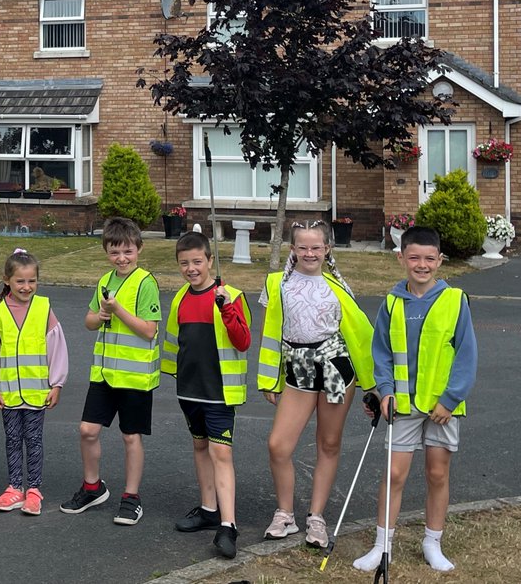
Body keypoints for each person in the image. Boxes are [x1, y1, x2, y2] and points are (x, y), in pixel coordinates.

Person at [353, 225, 477, 573]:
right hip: (402, 405)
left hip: (441, 407)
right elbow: (381, 353)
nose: (422, 265)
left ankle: (432, 542)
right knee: (394, 474)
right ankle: (382, 546)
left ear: (440, 260)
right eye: (414, 258)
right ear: (401, 258)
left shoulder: (455, 300)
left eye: (429, 258)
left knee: (437, 473)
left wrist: (450, 400)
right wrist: (385, 391)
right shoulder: (392, 303)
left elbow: (466, 355)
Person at [257, 220, 376, 548]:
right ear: (292, 249)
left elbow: (360, 336)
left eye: (316, 247)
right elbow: (270, 334)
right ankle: (285, 513)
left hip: (336, 369)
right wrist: (269, 379)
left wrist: (374, 385)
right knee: (278, 445)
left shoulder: (337, 288)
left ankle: (316, 517)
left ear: (327, 249)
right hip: (298, 370)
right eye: (303, 247)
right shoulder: (276, 284)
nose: (309, 253)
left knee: (329, 443)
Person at [60, 217, 161, 525]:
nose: (122, 258)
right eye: (115, 252)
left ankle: (131, 497)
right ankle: (93, 488)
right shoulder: (105, 280)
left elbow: (149, 330)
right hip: (104, 375)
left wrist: (118, 310)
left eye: (128, 251)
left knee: (131, 437)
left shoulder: (146, 283)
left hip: (134, 377)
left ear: (139, 249)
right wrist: (102, 314)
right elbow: (89, 321)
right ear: (106, 252)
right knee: (87, 431)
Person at [164, 231, 251, 559]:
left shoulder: (231, 296)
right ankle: (208, 509)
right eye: (184, 263)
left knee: (221, 454)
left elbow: (243, 341)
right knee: (200, 447)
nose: (191, 268)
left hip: (219, 392)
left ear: (210, 261)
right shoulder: (180, 298)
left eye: (197, 261)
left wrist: (227, 309)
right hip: (189, 391)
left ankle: (228, 526)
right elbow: (176, 342)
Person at [0, 248, 69, 516]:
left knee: (33, 440)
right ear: (6, 280)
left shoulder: (43, 309)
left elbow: (57, 348)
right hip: (7, 393)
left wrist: (57, 385)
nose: (26, 286)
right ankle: (14, 488)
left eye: (32, 281)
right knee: (12, 439)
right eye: (20, 281)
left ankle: (33, 490)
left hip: (37, 392)